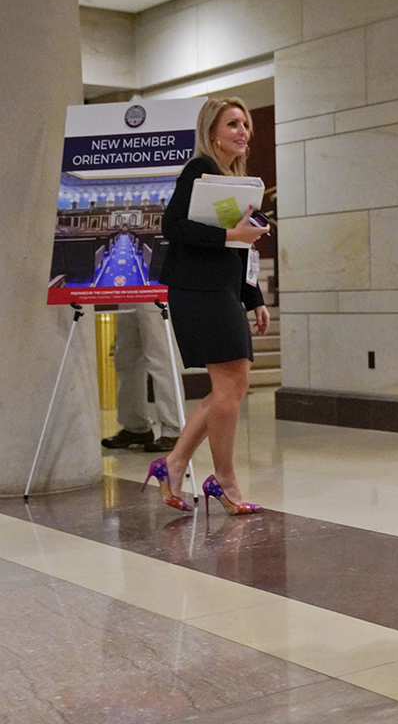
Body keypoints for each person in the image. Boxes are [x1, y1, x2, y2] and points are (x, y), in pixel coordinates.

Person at [141, 97, 269, 515]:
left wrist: (254, 297)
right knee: (232, 384)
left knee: (228, 386)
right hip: (199, 290)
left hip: (223, 290)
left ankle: (174, 463)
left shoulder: (237, 180)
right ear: (212, 131)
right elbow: (173, 225)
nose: (242, 131)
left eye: (245, 124)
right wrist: (230, 234)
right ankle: (224, 478)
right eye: (232, 123)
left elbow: (240, 248)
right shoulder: (200, 170)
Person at [101, 304, 184, 453]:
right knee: (126, 360)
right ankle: (135, 427)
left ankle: (174, 429)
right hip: (128, 289)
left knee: (160, 358)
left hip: (154, 288)